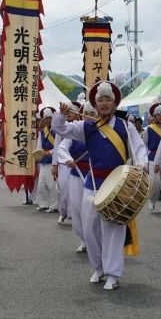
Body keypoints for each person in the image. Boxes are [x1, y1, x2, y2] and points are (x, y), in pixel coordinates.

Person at [52, 81, 147, 291]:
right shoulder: (87, 127)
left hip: (118, 185)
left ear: (115, 103)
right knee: (90, 230)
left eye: (108, 100)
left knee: (113, 230)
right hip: (93, 184)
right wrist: (62, 115)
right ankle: (99, 267)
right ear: (95, 104)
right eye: (100, 100)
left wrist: (141, 166)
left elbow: (139, 149)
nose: (104, 103)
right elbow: (60, 129)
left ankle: (113, 274)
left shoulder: (126, 126)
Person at [54, 100, 90, 247]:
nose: (89, 116)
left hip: (96, 175)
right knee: (76, 206)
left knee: (92, 209)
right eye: (87, 113)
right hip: (76, 173)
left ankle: (94, 241)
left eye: (92, 113)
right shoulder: (77, 129)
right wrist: (67, 159)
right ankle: (83, 239)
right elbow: (61, 147)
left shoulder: (102, 131)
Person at [144, 103, 161, 213]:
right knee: (155, 182)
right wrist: (145, 162)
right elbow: (144, 146)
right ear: (155, 116)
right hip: (152, 159)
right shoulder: (148, 129)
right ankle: (152, 200)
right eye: (159, 115)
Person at [33, 107, 58, 213]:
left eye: (49, 118)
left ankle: (54, 205)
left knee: (52, 185)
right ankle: (44, 203)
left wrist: (49, 153)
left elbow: (59, 146)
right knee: (41, 184)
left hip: (52, 160)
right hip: (43, 160)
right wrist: (38, 154)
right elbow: (39, 145)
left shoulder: (57, 130)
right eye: (46, 118)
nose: (48, 120)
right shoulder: (42, 132)